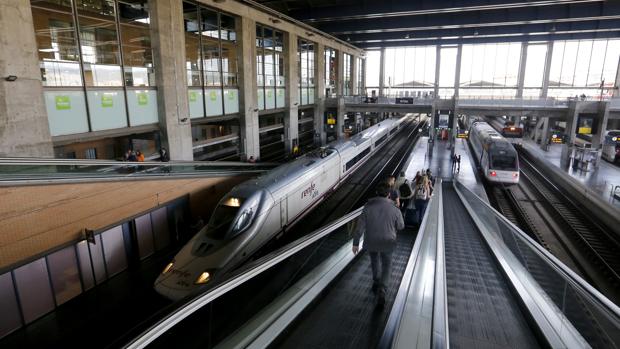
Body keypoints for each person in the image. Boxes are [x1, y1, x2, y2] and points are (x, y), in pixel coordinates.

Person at [352, 182, 405, 307]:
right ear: (388, 194)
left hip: (371, 240)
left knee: (374, 260)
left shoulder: (367, 207)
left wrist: (355, 243)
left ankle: (376, 281)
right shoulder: (395, 209)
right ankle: (383, 288)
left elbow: (360, 227)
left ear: (376, 193)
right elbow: (401, 226)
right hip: (388, 241)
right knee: (387, 265)